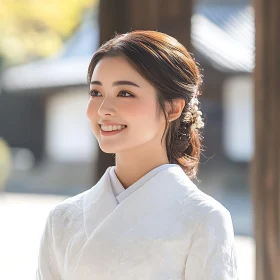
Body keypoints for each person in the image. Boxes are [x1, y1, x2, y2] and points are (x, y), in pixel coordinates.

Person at [36, 30, 238, 280]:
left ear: (173, 107)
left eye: (125, 93)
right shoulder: (62, 219)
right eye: (95, 92)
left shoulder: (203, 219)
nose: (103, 109)